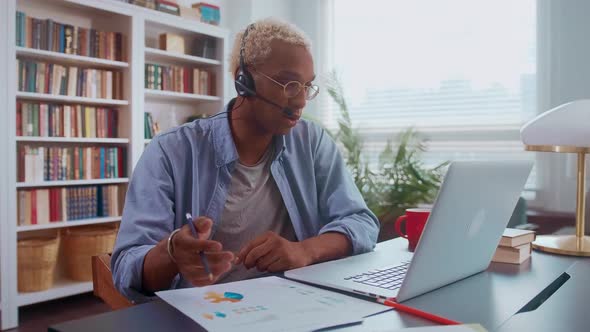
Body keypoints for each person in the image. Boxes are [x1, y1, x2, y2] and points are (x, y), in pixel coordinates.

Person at [111, 17, 379, 302]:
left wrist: (304, 250)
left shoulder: (312, 142)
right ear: (244, 80)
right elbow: (127, 269)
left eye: (306, 85)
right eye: (289, 83)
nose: (301, 100)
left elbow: (360, 222)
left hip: (296, 303)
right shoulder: (170, 152)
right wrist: (171, 254)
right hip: (204, 311)